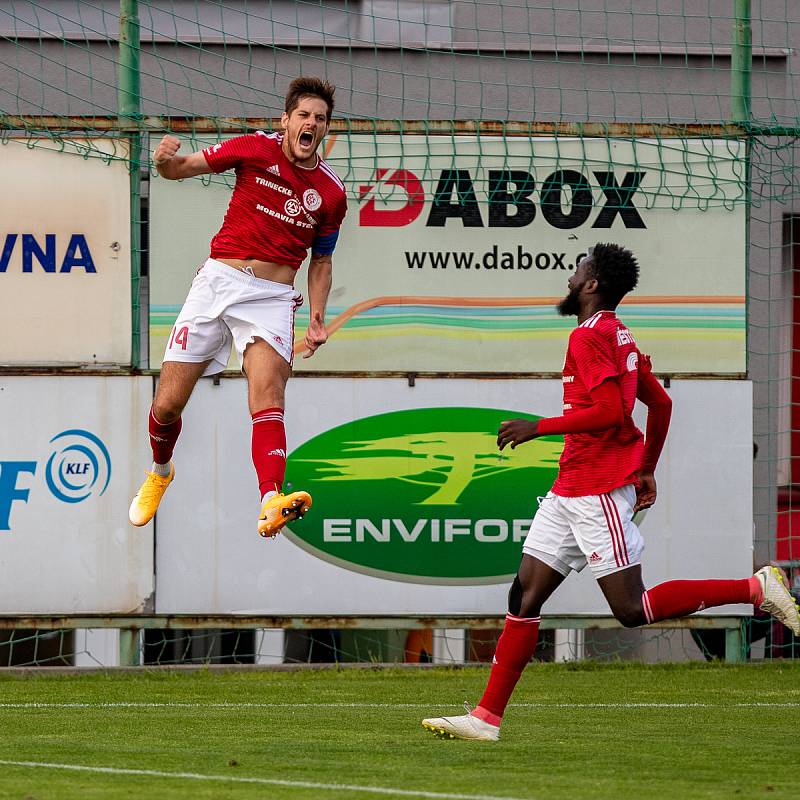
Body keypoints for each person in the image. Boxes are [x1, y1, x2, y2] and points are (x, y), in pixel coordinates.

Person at [421, 243, 800, 741]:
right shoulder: (617, 335)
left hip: (596, 490)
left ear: (592, 283)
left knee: (630, 609)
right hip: (570, 488)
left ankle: (755, 589)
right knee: (525, 593)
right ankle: (486, 719)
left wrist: (539, 427)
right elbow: (659, 406)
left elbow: (611, 415)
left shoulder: (591, 338)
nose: (570, 279)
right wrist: (646, 470)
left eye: (577, 271)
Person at [128, 76, 347, 537]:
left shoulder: (331, 194)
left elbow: (322, 259)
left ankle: (271, 498)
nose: (311, 124)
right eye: (304, 115)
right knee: (167, 405)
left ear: (326, 128)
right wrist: (164, 163)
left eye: (320, 119)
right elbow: (182, 169)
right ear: (285, 120)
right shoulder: (253, 147)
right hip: (217, 284)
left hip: (270, 300)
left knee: (268, 396)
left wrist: (319, 319)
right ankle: (160, 471)